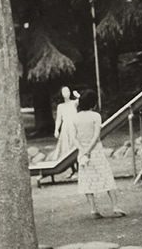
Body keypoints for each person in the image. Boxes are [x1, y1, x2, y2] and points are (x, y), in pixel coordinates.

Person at [73, 90, 125, 219]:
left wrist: (83, 150)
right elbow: (96, 136)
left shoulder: (75, 117)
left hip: (83, 152)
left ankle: (93, 210)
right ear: (93, 103)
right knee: (106, 176)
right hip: (95, 151)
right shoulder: (95, 116)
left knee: (87, 180)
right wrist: (89, 151)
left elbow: (74, 138)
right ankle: (115, 207)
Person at [51, 86, 79, 173]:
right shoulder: (61, 106)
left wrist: (77, 95)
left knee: (75, 146)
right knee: (67, 148)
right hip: (66, 128)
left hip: (74, 127)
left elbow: (83, 101)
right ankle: (73, 170)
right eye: (64, 92)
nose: (66, 93)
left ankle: (78, 169)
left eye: (67, 91)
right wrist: (56, 130)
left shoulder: (74, 103)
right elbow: (59, 119)